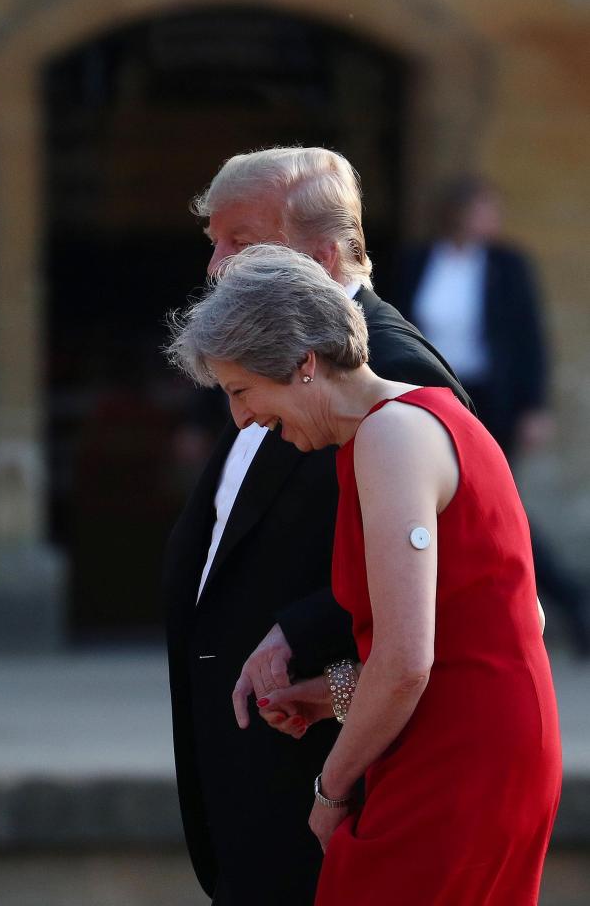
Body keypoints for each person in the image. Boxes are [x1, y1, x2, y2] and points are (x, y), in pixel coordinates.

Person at [167, 243, 562, 906]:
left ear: (303, 365)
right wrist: (335, 693)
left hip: (460, 765)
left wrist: (331, 787)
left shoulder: (389, 438)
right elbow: (490, 624)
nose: (241, 420)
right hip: (487, 749)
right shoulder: (409, 424)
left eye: (241, 391)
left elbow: (409, 662)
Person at [163, 146, 472, 905]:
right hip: (266, 751)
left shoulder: (402, 374)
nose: (215, 266)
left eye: (239, 241)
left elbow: (441, 576)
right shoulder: (279, 346)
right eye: (214, 242)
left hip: (325, 763)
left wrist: (299, 636)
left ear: (321, 254)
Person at [395, 175, 590, 655]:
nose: (493, 220)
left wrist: (534, 406)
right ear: (458, 212)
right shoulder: (420, 260)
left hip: (491, 401)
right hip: (433, 394)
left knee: (494, 509)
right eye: (484, 210)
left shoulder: (507, 265)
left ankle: (566, 601)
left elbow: (529, 339)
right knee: (455, 510)